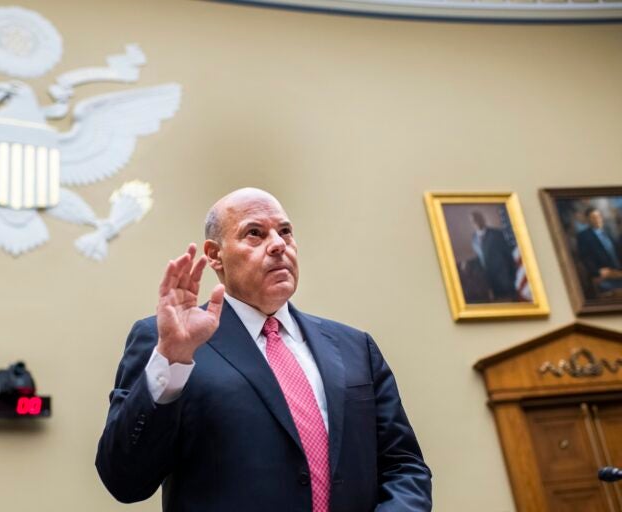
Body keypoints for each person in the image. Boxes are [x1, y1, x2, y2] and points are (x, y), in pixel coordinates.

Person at [96, 188, 431, 511]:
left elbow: (404, 468)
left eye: (285, 232)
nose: (277, 245)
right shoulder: (170, 341)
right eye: (255, 233)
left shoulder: (355, 347)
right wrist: (172, 361)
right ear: (215, 255)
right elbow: (125, 481)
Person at [469, 211, 518, 302]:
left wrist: (512, 276)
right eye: (474, 221)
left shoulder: (497, 234)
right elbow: (481, 258)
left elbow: (508, 255)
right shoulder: (474, 239)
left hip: (504, 278)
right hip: (490, 281)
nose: (477, 222)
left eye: (479, 219)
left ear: (483, 220)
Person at [576, 207, 622, 294]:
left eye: (599, 216)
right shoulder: (584, 236)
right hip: (603, 275)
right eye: (593, 217)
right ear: (588, 220)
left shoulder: (608, 233)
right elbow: (585, 257)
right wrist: (597, 272)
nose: (597, 219)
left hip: (617, 271)